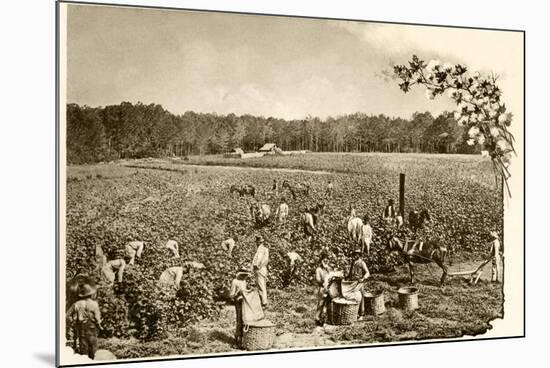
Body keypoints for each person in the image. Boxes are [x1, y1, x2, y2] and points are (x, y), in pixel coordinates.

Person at [66, 283, 103, 359]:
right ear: (91, 294)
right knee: (93, 348)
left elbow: (67, 315)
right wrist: (100, 326)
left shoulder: (76, 304)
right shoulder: (94, 304)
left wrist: (73, 322)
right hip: (91, 327)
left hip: (81, 327)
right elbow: (97, 318)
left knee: (83, 349)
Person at [229, 267, 251, 348]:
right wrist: (238, 293)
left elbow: (245, 291)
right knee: (239, 320)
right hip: (238, 302)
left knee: (245, 319)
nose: (244, 277)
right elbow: (231, 295)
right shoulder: (235, 282)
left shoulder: (244, 281)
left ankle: (245, 339)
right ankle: (238, 340)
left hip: (245, 302)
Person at [347, 249, 370, 319]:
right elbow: (350, 273)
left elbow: (367, 272)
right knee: (353, 297)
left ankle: (361, 314)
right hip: (352, 282)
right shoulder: (353, 263)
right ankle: (354, 313)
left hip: (359, 282)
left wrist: (363, 278)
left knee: (361, 297)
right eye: (354, 254)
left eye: (357, 254)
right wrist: (346, 277)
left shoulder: (362, 263)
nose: (355, 255)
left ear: (359, 255)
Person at [252, 235, 269, 307]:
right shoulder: (265, 249)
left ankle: (264, 302)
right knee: (262, 285)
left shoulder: (260, 249)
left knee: (261, 285)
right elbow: (266, 259)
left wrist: (257, 265)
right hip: (263, 268)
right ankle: (263, 301)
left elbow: (260, 259)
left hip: (260, 269)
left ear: (258, 242)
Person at [315, 253, 332, 326]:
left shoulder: (329, 268)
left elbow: (332, 276)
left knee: (328, 304)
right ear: (321, 260)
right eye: (324, 259)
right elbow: (318, 279)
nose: (325, 261)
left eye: (327, 259)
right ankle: (317, 318)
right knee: (321, 305)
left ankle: (325, 320)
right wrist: (324, 281)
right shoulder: (318, 269)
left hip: (329, 289)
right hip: (322, 288)